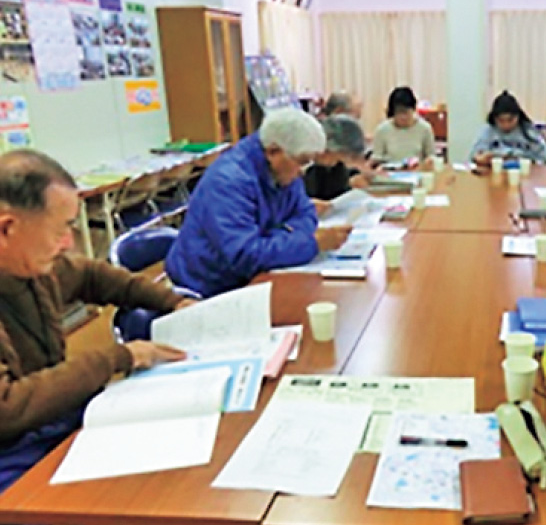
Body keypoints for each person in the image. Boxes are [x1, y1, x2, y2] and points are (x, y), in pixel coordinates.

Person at [0, 150, 189, 491]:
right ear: (7, 228)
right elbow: (8, 410)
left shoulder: (31, 264)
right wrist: (118, 357)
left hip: (44, 424)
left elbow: (93, 277)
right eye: (60, 229)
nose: (67, 243)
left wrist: (174, 302)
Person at [166, 109, 351, 297]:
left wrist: (273, 240)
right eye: (302, 162)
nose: (303, 171)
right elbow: (246, 256)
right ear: (273, 152)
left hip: (252, 277)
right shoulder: (229, 181)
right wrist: (311, 243)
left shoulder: (284, 169)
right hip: (207, 287)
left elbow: (305, 212)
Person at [304, 114, 373, 211]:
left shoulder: (334, 166)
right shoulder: (301, 163)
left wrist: (354, 178)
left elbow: (338, 194)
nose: (336, 162)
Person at [469, 91, 546, 165]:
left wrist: (530, 162)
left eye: (510, 120)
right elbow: (474, 156)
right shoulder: (488, 131)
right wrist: (480, 159)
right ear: (494, 119)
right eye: (501, 121)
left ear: (518, 117)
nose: (506, 125)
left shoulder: (528, 131)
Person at [371, 86, 436, 166]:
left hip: (417, 173)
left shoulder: (425, 128)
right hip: (389, 175)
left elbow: (431, 156)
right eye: (399, 112)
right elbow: (376, 159)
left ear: (414, 109)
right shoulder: (382, 130)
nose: (403, 117)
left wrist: (429, 162)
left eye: (406, 112)